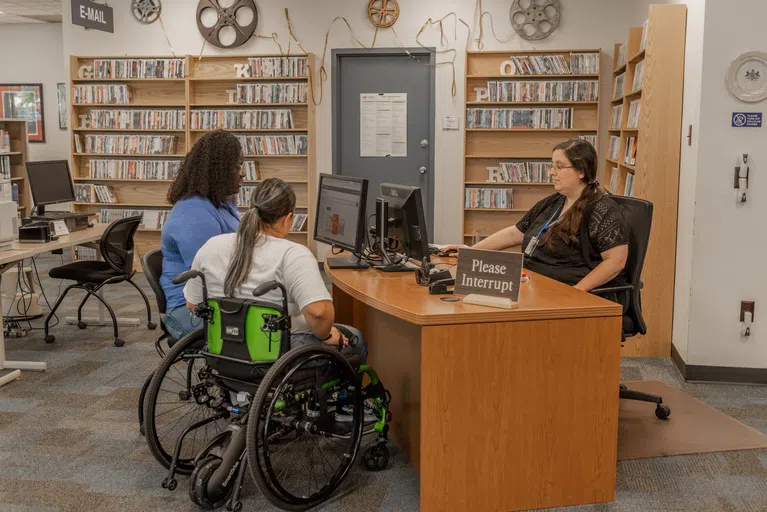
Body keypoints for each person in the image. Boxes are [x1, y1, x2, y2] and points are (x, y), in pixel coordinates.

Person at [183, 178, 368, 364]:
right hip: (273, 354)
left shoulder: (212, 246)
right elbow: (319, 313)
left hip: (223, 349)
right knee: (356, 339)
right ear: (288, 218)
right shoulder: (293, 255)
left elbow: (193, 304)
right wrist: (327, 336)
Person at [444, 138, 628, 291]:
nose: (552, 173)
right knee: (467, 288)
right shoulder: (554, 202)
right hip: (530, 283)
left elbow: (615, 262)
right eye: (552, 166)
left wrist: (577, 292)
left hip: (563, 290)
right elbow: (516, 233)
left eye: (559, 166)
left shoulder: (603, 210)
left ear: (580, 171)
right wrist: (470, 251)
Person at [160, 130, 244, 340]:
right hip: (191, 309)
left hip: (218, 297)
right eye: (236, 167)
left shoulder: (222, 203)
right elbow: (210, 277)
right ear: (218, 171)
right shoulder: (193, 213)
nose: (242, 173)